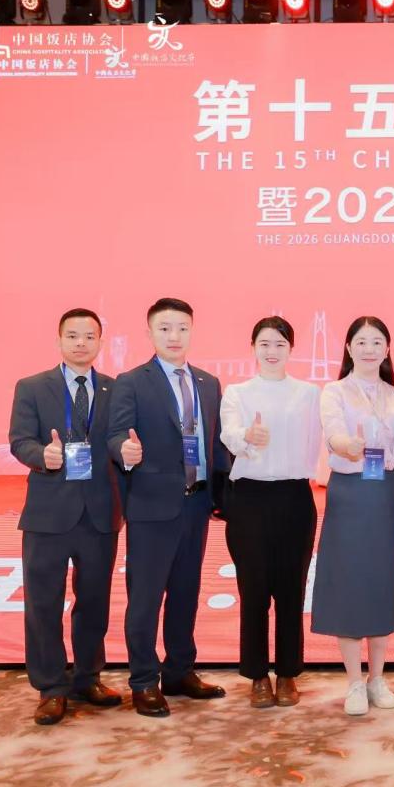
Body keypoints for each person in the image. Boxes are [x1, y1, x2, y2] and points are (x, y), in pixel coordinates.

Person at [108, 297, 230, 718]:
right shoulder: (131, 381)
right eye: (164, 328)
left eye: (181, 328)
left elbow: (215, 444)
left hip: (197, 505)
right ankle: (144, 680)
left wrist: (223, 495)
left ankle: (179, 671)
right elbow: (115, 435)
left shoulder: (208, 383)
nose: (174, 336)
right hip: (151, 507)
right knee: (145, 598)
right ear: (150, 333)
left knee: (185, 593)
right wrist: (124, 451)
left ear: (192, 331)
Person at [8, 308, 123, 725]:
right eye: (72, 335)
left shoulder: (115, 389)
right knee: (43, 603)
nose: (80, 343)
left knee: (93, 602)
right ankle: (51, 687)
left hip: (100, 513)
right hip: (48, 514)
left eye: (89, 336)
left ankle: (88, 678)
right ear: (59, 340)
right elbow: (19, 440)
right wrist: (44, 455)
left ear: (99, 342)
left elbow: (119, 440)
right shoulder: (32, 387)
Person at [312, 316, 394, 716]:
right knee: (349, 584)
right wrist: (348, 445)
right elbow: (333, 434)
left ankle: (377, 678)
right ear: (348, 347)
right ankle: (354, 683)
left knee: (382, 584)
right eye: (361, 341)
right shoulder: (335, 391)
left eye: (377, 341)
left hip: (388, 496)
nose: (369, 348)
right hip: (350, 494)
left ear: (387, 349)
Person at [219, 317, 321, 709]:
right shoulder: (238, 393)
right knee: (254, 589)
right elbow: (229, 433)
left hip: (294, 496)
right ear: (253, 347)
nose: (272, 351)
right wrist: (247, 437)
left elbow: (320, 439)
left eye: (280, 344)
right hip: (249, 499)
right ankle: (258, 675)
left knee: (292, 590)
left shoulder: (309, 394)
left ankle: (288, 674)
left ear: (291, 348)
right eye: (264, 343)